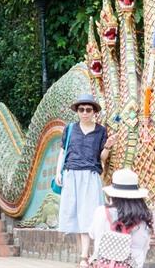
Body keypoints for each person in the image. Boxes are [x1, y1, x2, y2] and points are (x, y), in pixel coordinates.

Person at [56, 93, 115, 267]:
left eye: (88, 109)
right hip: (71, 173)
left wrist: (108, 146)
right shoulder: (70, 128)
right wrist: (57, 172)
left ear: (94, 111)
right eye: (81, 109)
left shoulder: (101, 131)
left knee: (89, 215)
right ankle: (84, 255)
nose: (84, 112)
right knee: (74, 215)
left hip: (90, 175)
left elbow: (102, 158)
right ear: (77, 111)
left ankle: (84, 256)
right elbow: (62, 152)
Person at [88, 168, 153, 268]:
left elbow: (92, 234)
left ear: (113, 194)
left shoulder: (101, 212)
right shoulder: (143, 220)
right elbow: (143, 250)